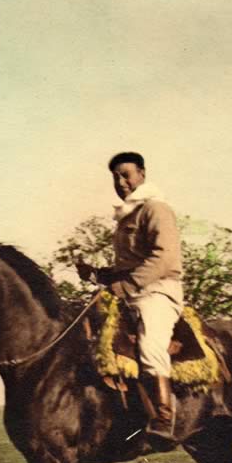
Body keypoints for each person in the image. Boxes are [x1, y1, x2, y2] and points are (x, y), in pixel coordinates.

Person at [77, 152, 183, 443]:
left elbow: (164, 258)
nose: (121, 182)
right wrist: (98, 275)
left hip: (157, 292)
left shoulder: (156, 209)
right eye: (115, 177)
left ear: (142, 175)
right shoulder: (126, 216)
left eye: (126, 175)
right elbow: (127, 267)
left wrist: (125, 285)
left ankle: (163, 418)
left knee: (150, 345)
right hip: (131, 294)